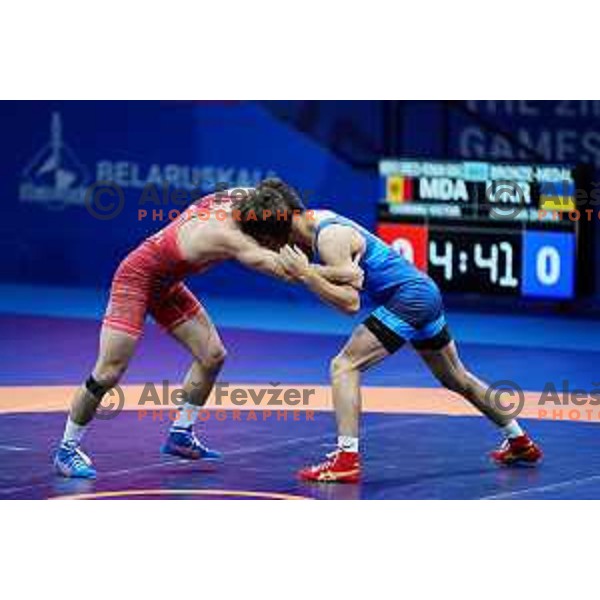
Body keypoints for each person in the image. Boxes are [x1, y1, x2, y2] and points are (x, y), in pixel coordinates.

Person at [54, 179, 361, 478]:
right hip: (137, 278)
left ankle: (180, 434)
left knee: (212, 355)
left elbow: (285, 204)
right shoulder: (227, 236)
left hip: (168, 282)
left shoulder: (254, 199)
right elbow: (291, 272)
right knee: (108, 371)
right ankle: (67, 449)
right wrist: (343, 271)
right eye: (270, 240)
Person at [278, 209, 543, 483]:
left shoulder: (329, 237)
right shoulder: (320, 218)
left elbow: (350, 303)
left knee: (344, 366)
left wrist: (306, 274)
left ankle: (346, 459)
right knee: (456, 377)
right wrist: (320, 272)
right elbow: (351, 275)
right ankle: (520, 442)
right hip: (424, 291)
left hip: (409, 298)